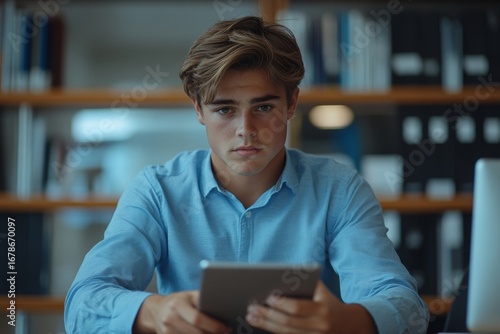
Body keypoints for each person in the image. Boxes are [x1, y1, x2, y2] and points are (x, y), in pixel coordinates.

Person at [64, 16, 429, 333]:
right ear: (199, 110)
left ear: (291, 104)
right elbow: (82, 306)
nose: (246, 129)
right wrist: (152, 311)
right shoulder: (157, 190)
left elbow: (407, 308)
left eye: (264, 106)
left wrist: (351, 323)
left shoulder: (339, 189)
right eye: (224, 109)